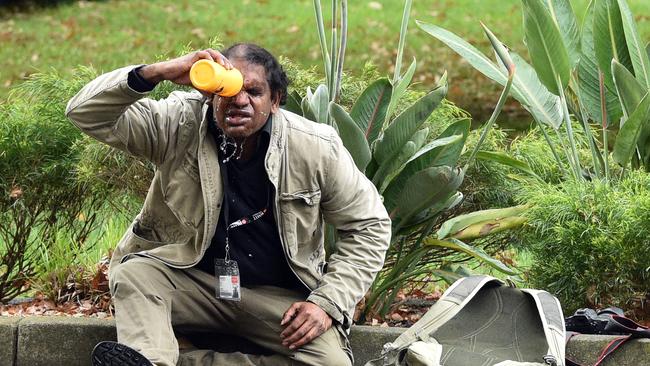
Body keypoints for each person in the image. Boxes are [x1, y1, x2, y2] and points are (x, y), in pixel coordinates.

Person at [66, 43, 391, 366]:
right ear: (210, 93)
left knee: (332, 363)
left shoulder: (315, 147)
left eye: (254, 91)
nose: (239, 100)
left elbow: (370, 226)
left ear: (275, 100)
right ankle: (154, 361)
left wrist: (326, 302)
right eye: (228, 88)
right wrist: (159, 72)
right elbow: (84, 112)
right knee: (136, 274)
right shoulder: (177, 124)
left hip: (277, 298)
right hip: (191, 283)